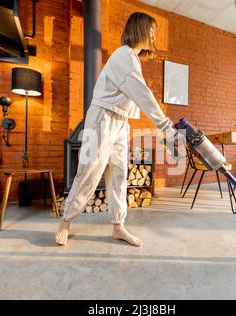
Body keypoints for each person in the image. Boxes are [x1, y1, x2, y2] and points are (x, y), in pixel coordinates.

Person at [55, 12, 179, 247]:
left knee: (119, 175)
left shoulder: (133, 58)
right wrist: (165, 125)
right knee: (90, 170)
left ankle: (118, 226)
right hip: (102, 117)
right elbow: (143, 94)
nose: (153, 34)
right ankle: (66, 221)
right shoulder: (123, 55)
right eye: (151, 29)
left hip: (121, 122)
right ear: (139, 29)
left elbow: (136, 96)